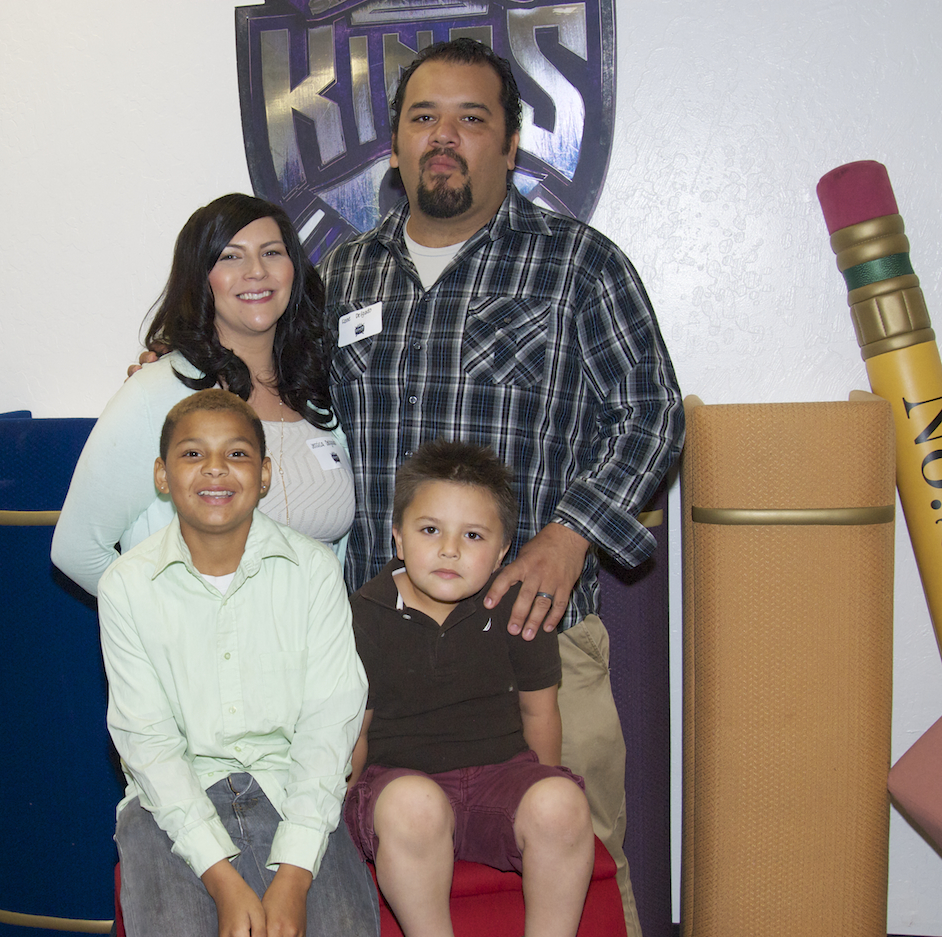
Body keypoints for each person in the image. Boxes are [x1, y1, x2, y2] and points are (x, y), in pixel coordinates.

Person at [318, 38, 683, 937]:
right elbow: (280, 403)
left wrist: (570, 532)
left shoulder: (579, 264)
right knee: (365, 883)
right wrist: (174, 365)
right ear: (395, 145)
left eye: (471, 119)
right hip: (373, 657)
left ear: (512, 146)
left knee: (582, 863)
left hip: (533, 645)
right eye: (423, 118)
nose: (444, 137)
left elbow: (653, 413)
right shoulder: (342, 275)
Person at [100, 389, 378, 937]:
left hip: (292, 789)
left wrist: (294, 874)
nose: (215, 468)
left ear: (265, 474)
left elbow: (329, 725)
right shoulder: (126, 586)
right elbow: (149, 744)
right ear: (162, 476)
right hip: (171, 802)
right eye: (192, 453)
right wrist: (222, 880)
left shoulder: (314, 570)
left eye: (237, 453)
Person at [345, 440, 593, 937]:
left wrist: (544, 790)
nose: (450, 550)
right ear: (398, 538)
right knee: (415, 804)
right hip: (398, 789)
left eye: (473, 536)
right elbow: (355, 732)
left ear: (502, 552)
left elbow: (540, 713)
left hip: (499, 781)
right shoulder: (360, 616)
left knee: (561, 802)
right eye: (430, 530)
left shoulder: (521, 608)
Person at [52, 194, 353, 596]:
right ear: (200, 277)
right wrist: (166, 620)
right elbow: (77, 550)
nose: (256, 271)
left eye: (271, 252)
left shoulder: (318, 394)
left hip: (317, 636)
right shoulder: (157, 393)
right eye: (231, 257)